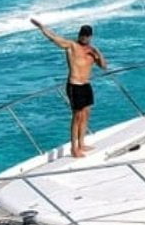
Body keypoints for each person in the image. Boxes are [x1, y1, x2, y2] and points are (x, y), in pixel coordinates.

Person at [31, 18, 107, 158]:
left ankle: (82, 143)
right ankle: (74, 148)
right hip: (74, 85)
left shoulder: (91, 51)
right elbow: (54, 38)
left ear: (90, 36)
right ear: (79, 35)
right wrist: (42, 27)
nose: (84, 38)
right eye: (82, 35)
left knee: (86, 114)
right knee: (77, 116)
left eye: (87, 35)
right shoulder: (72, 45)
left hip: (86, 85)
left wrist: (98, 52)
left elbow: (104, 66)